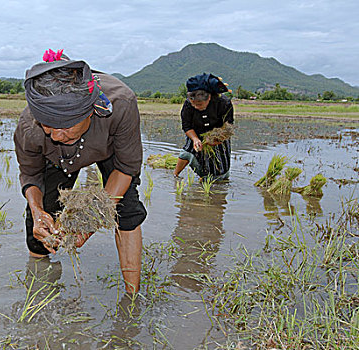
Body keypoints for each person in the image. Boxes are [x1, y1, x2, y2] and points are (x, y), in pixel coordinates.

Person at [14, 49, 146, 294]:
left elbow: (126, 168)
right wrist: (37, 210)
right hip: (56, 160)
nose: (55, 135)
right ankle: (39, 288)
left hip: (109, 151)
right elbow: (31, 176)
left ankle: (132, 298)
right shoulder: (30, 129)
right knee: (40, 225)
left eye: (65, 128)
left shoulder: (120, 105)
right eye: (47, 126)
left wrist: (90, 220)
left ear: (89, 111)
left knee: (126, 208)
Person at [173, 73, 234, 180]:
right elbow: (186, 125)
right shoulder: (188, 105)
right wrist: (195, 139)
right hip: (196, 132)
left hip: (218, 135)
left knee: (220, 163)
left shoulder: (223, 103)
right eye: (193, 104)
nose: (196, 107)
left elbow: (228, 127)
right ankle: (175, 175)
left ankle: (217, 180)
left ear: (209, 97)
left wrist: (216, 140)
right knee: (188, 150)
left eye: (199, 104)